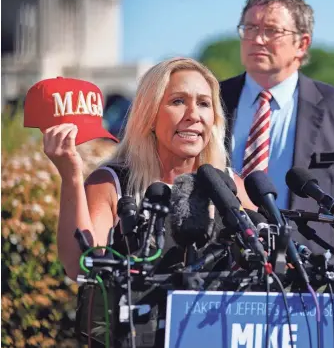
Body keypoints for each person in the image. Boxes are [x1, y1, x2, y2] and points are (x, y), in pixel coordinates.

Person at [43, 57, 255, 282]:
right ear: (150, 115)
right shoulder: (110, 184)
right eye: (178, 101)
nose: (193, 115)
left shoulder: (230, 187)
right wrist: (71, 177)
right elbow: (81, 267)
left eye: (203, 103)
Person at [220, 0, 334, 253]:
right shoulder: (211, 100)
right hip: (222, 260)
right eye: (250, 28)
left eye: (271, 30)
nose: (257, 39)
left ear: (302, 44)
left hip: (308, 268)